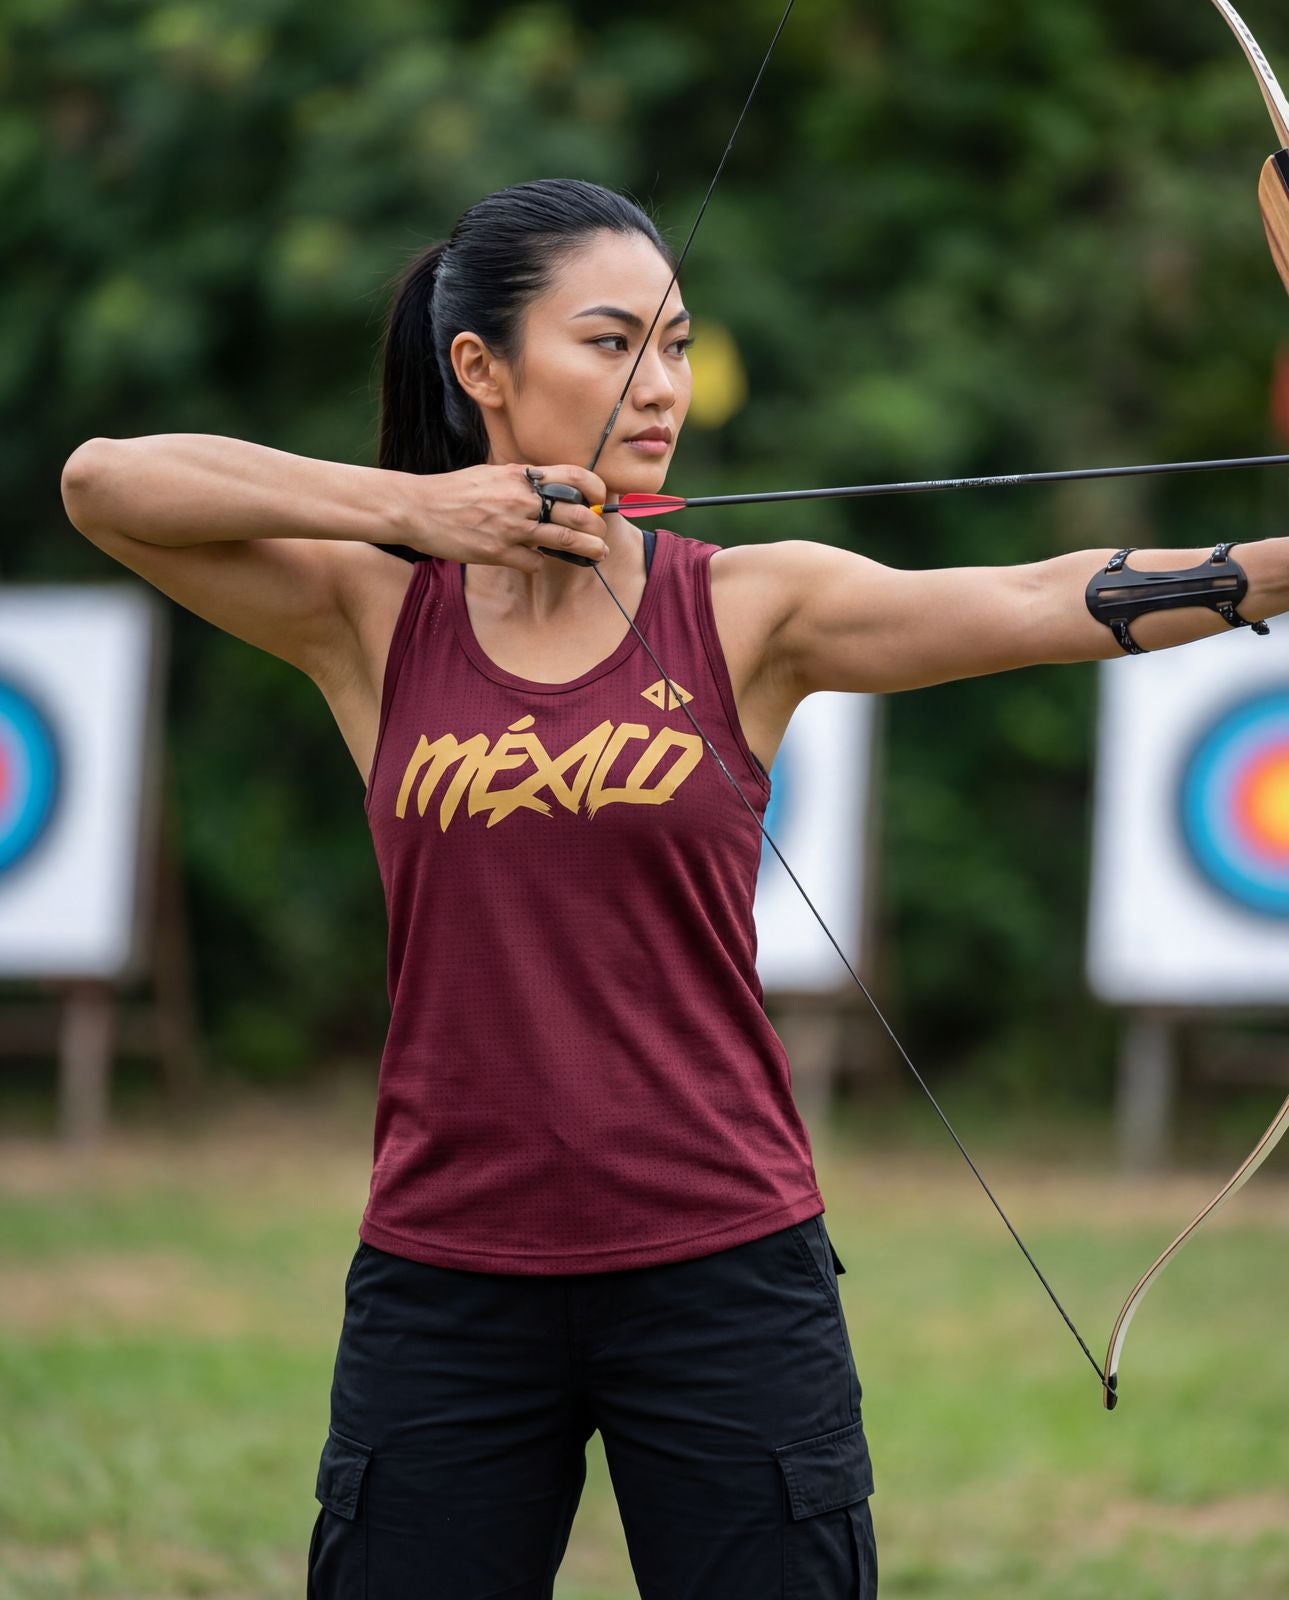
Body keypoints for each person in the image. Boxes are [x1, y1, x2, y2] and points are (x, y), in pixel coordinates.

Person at [60, 176, 1284, 1600]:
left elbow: (1035, 600)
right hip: (447, 1275)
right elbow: (104, 483)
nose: (662, 386)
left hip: (723, 1272)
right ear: (481, 369)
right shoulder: (372, 615)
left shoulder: (748, 607)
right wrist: (414, 510)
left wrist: (1272, 570)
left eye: (680, 344)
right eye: (612, 343)